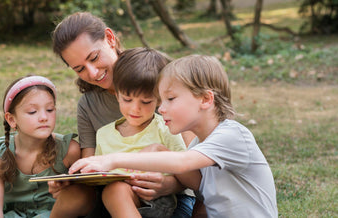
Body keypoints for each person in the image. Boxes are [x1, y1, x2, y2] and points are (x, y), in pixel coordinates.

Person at [68, 55, 278, 217]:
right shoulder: (199, 143)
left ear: (205, 99)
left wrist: (111, 159)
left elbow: (182, 162)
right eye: (160, 100)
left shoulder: (232, 135)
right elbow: (197, 183)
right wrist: (157, 151)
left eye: (170, 98)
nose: (162, 108)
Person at [51, 12, 199, 218]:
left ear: (110, 39)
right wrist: (72, 179)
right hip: (116, 198)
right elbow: (93, 166)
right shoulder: (89, 104)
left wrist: (169, 185)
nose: (92, 73)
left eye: (94, 57)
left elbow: (194, 159)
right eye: (80, 69)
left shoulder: (156, 75)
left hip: (173, 196)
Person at [95, 47, 198, 218]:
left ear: (158, 100)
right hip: (119, 204)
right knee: (115, 189)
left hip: (162, 200)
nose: (135, 108)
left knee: (116, 190)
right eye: (127, 99)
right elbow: (99, 178)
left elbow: (188, 174)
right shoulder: (104, 134)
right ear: (117, 95)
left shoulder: (165, 129)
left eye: (146, 101)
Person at [0, 75, 94, 218]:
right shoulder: (0, 154)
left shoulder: (69, 150)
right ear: (12, 120)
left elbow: (83, 198)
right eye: (32, 112)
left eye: (50, 110)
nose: (44, 117)